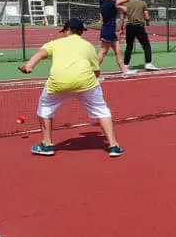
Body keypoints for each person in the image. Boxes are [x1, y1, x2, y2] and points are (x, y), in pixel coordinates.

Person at [18, 18, 123, 157]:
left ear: (67, 30)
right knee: (102, 110)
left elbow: (41, 53)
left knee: (45, 108)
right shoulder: (88, 46)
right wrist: (94, 77)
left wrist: (29, 65)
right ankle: (114, 146)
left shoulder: (54, 43)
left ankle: (47, 144)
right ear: (80, 32)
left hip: (59, 83)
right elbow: (96, 71)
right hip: (86, 83)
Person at [118, 0, 157, 72]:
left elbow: (122, 18)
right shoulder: (142, 3)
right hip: (139, 27)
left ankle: (126, 65)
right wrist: (147, 22)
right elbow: (147, 16)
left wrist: (120, 30)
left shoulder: (126, 4)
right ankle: (148, 64)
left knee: (129, 46)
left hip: (129, 27)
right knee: (146, 46)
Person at [94, 0, 130, 73]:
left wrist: (119, 7)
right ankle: (93, 72)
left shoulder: (104, 3)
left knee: (118, 51)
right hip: (108, 31)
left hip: (109, 30)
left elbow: (117, 6)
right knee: (103, 52)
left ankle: (124, 70)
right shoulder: (110, 3)